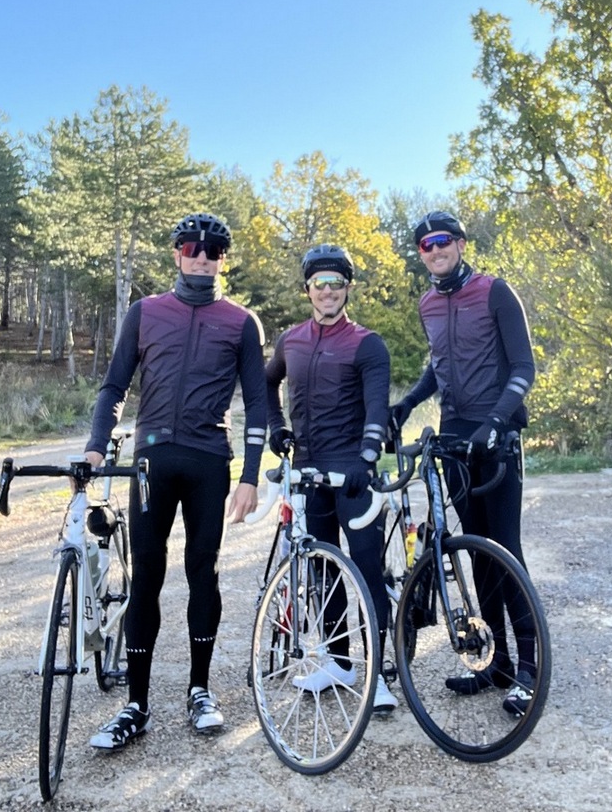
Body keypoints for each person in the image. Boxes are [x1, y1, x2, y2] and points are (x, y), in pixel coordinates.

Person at [84, 212, 267, 750]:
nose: (201, 256)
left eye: (212, 250)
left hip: (210, 461)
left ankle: (199, 690)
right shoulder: (144, 313)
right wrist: (97, 445)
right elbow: (115, 384)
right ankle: (136, 704)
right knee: (147, 578)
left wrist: (251, 475)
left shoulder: (241, 322)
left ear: (222, 259)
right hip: (152, 461)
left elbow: (257, 403)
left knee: (202, 573)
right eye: (192, 247)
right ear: (177, 253)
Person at [388, 210, 538, 716]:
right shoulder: (427, 302)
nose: (434, 250)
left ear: (460, 243)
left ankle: (529, 670)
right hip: (454, 437)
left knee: (505, 548)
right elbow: (438, 366)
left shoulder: (495, 291)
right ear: (421, 254)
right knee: (475, 553)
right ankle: (495, 666)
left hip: (495, 436)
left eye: (442, 240)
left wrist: (497, 422)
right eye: (425, 244)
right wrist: (408, 402)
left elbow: (523, 367)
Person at [249, 243, 398, 712]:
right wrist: (276, 428)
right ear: (308, 289)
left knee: (368, 570)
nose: (328, 291)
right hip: (310, 471)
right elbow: (263, 382)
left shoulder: (366, 343)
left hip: (353, 473)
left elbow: (377, 406)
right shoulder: (290, 341)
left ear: (347, 288)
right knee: (324, 571)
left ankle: (377, 675)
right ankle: (339, 663)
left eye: (336, 283)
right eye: (320, 283)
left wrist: (368, 455)